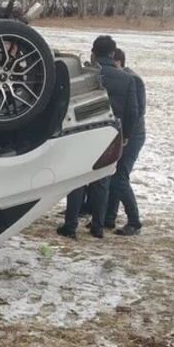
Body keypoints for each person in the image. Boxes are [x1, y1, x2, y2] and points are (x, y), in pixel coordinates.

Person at [58, 35, 138, 240]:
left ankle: (70, 225)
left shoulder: (83, 73)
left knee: (77, 178)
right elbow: (133, 111)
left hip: (82, 129)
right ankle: (97, 227)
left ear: (93, 51)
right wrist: (126, 135)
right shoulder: (127, 78)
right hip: (111, 132)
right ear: (113, 53)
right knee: (102, 179)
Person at [105, 46, 146, 235]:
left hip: (132, 135)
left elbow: (136, 112)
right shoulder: (124, 79)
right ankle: (109, 218)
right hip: (122, 133)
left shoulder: (132, 80)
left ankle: (134, 221)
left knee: (120, 177)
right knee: (114, 174)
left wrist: (126, 135)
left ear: (118, 62)